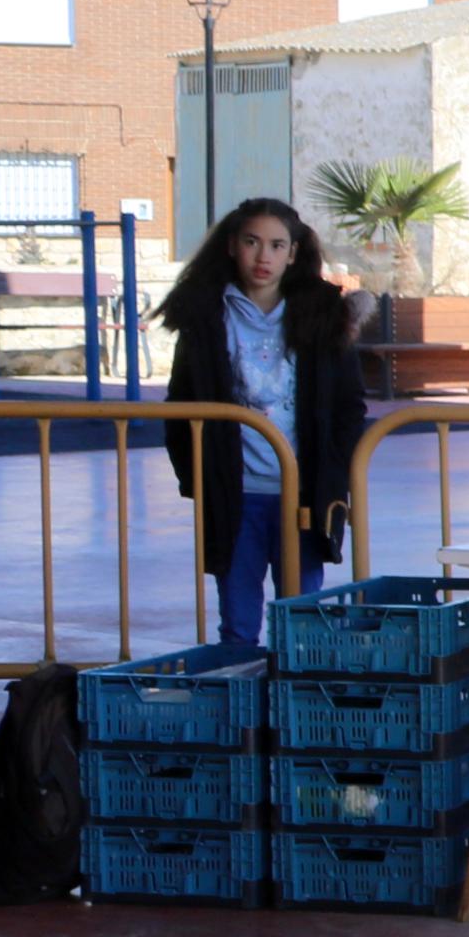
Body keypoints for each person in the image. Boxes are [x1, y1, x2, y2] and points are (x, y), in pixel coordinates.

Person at [157, 197, 369, 648]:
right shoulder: (205, 316)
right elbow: (180, 406)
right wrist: (197, 478)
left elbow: (350, 406)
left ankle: (291, 718)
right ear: (232, 246)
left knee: (301, 623)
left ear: (293, 253)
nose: (263, 256)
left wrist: (332, 471)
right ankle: (245, 718)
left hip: (304, 495)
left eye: (276, 245)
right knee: (237, 624)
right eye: (252, 242)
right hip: (236, 495)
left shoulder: (324, 315)